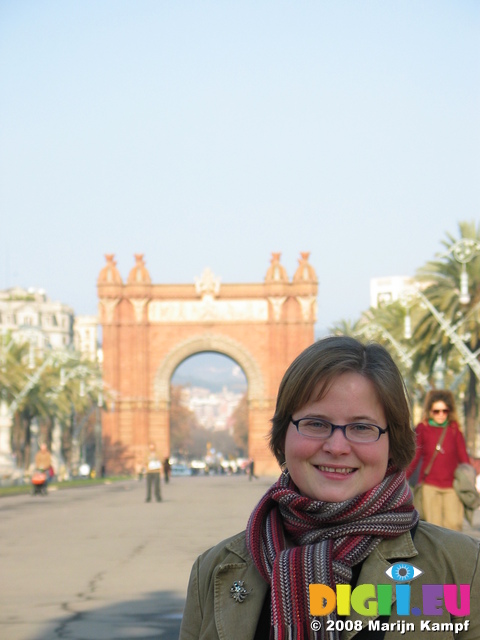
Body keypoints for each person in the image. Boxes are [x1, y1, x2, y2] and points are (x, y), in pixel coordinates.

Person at [179, 336, 480, 640]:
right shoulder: (214, 569)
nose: (337, 447)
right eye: (316, 424)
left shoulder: (463, 566)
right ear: (284, 434)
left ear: (392, 442)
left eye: (362, 427)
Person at [407, 389, 470, 531]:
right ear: (430, 411)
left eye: (444, 411)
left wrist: (470, 480)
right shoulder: (423, 428)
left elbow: (464, 459)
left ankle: (452, 553)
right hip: (429, 486)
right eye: (436, 411)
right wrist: (402, 478)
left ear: (449, 411)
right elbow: (415, 456)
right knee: (434, 529)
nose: (441, 415)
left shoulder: (454, 430)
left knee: (454, 526)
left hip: (451, 487)